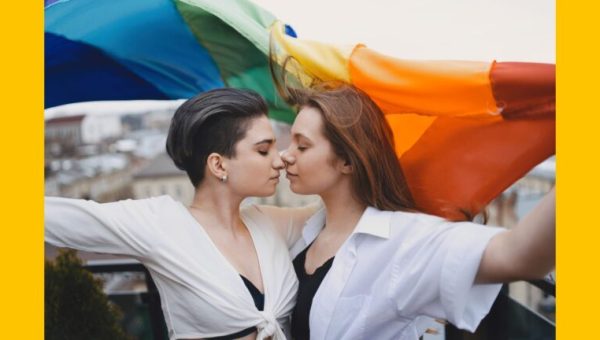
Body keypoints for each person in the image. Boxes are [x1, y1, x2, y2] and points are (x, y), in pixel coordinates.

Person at [274, 82, 555, 340]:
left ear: (347, 161)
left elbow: (518, 256)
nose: (286, 155)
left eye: (302, 146)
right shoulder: (306, 231)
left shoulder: (402, 242)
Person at [45, 88, 315, 340]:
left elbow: (345, 202)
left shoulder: (271, 222)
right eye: (263, 150)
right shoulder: (161, 225)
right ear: (218, 164)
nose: (279, 160)